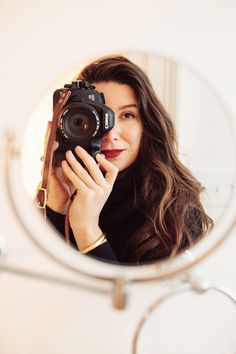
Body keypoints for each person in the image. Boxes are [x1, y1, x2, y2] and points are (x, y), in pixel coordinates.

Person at [44, 54, 213, 265]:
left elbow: (140, 298)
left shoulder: (175, 210)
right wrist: (56, 209)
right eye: (97, 116)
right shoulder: (65, 191)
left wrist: (86, 226)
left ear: (147, 124)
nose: (110, 133)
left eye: (127, 115)